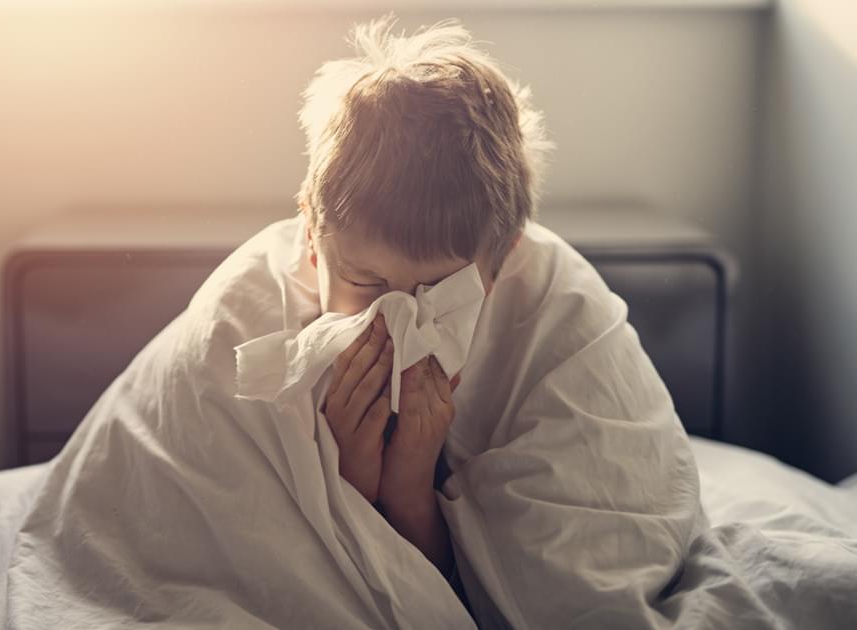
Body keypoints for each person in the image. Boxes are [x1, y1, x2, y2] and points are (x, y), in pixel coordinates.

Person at [289, 15, 703, 627]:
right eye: (365, 282)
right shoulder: (277, 291)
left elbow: (480, 603)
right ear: (312, 240)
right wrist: (344, 477)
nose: (398, 318)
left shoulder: (554, 313)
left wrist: (406, 487)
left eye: (439, 292)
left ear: (504, 259)